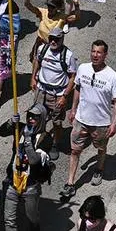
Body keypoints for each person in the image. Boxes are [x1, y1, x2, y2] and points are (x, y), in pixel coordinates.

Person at [63, 41, 116, 197]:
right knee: (75, 151)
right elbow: (78, 88)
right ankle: (70, 183)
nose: (95, 55)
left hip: (101, 123)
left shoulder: (112, 76)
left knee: (101, 148)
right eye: (93, 51)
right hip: (81, 120)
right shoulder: (83, 68)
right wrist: (74, 109)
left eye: (99, 52)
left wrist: (114, 124)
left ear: (105, 55)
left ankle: (99, 169)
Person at [0, 105, 54, 231]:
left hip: (30, 185)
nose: (30, 119)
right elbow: (1, 132)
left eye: (35, 117)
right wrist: (10, 123)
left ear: (42, 120)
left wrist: (28, 140)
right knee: (9, 219)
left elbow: (35, 160)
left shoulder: (45, 138)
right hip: (13, 183)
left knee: (31, 215)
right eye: (29, 115)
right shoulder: (20, 128)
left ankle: (35, 229)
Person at [32, 27, 78, 160]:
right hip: (42, 90)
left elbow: (72, 77)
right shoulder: (43, 49)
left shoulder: (68, 55)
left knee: (56, 122)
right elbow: (37, 61)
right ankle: (37, 141)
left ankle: (54, 144)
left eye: (56, 39)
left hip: (57, 94)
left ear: (61, 39)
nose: (53, 41)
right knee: (37, 117)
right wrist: (33, 77)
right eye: (51, 38)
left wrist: (64, 96)